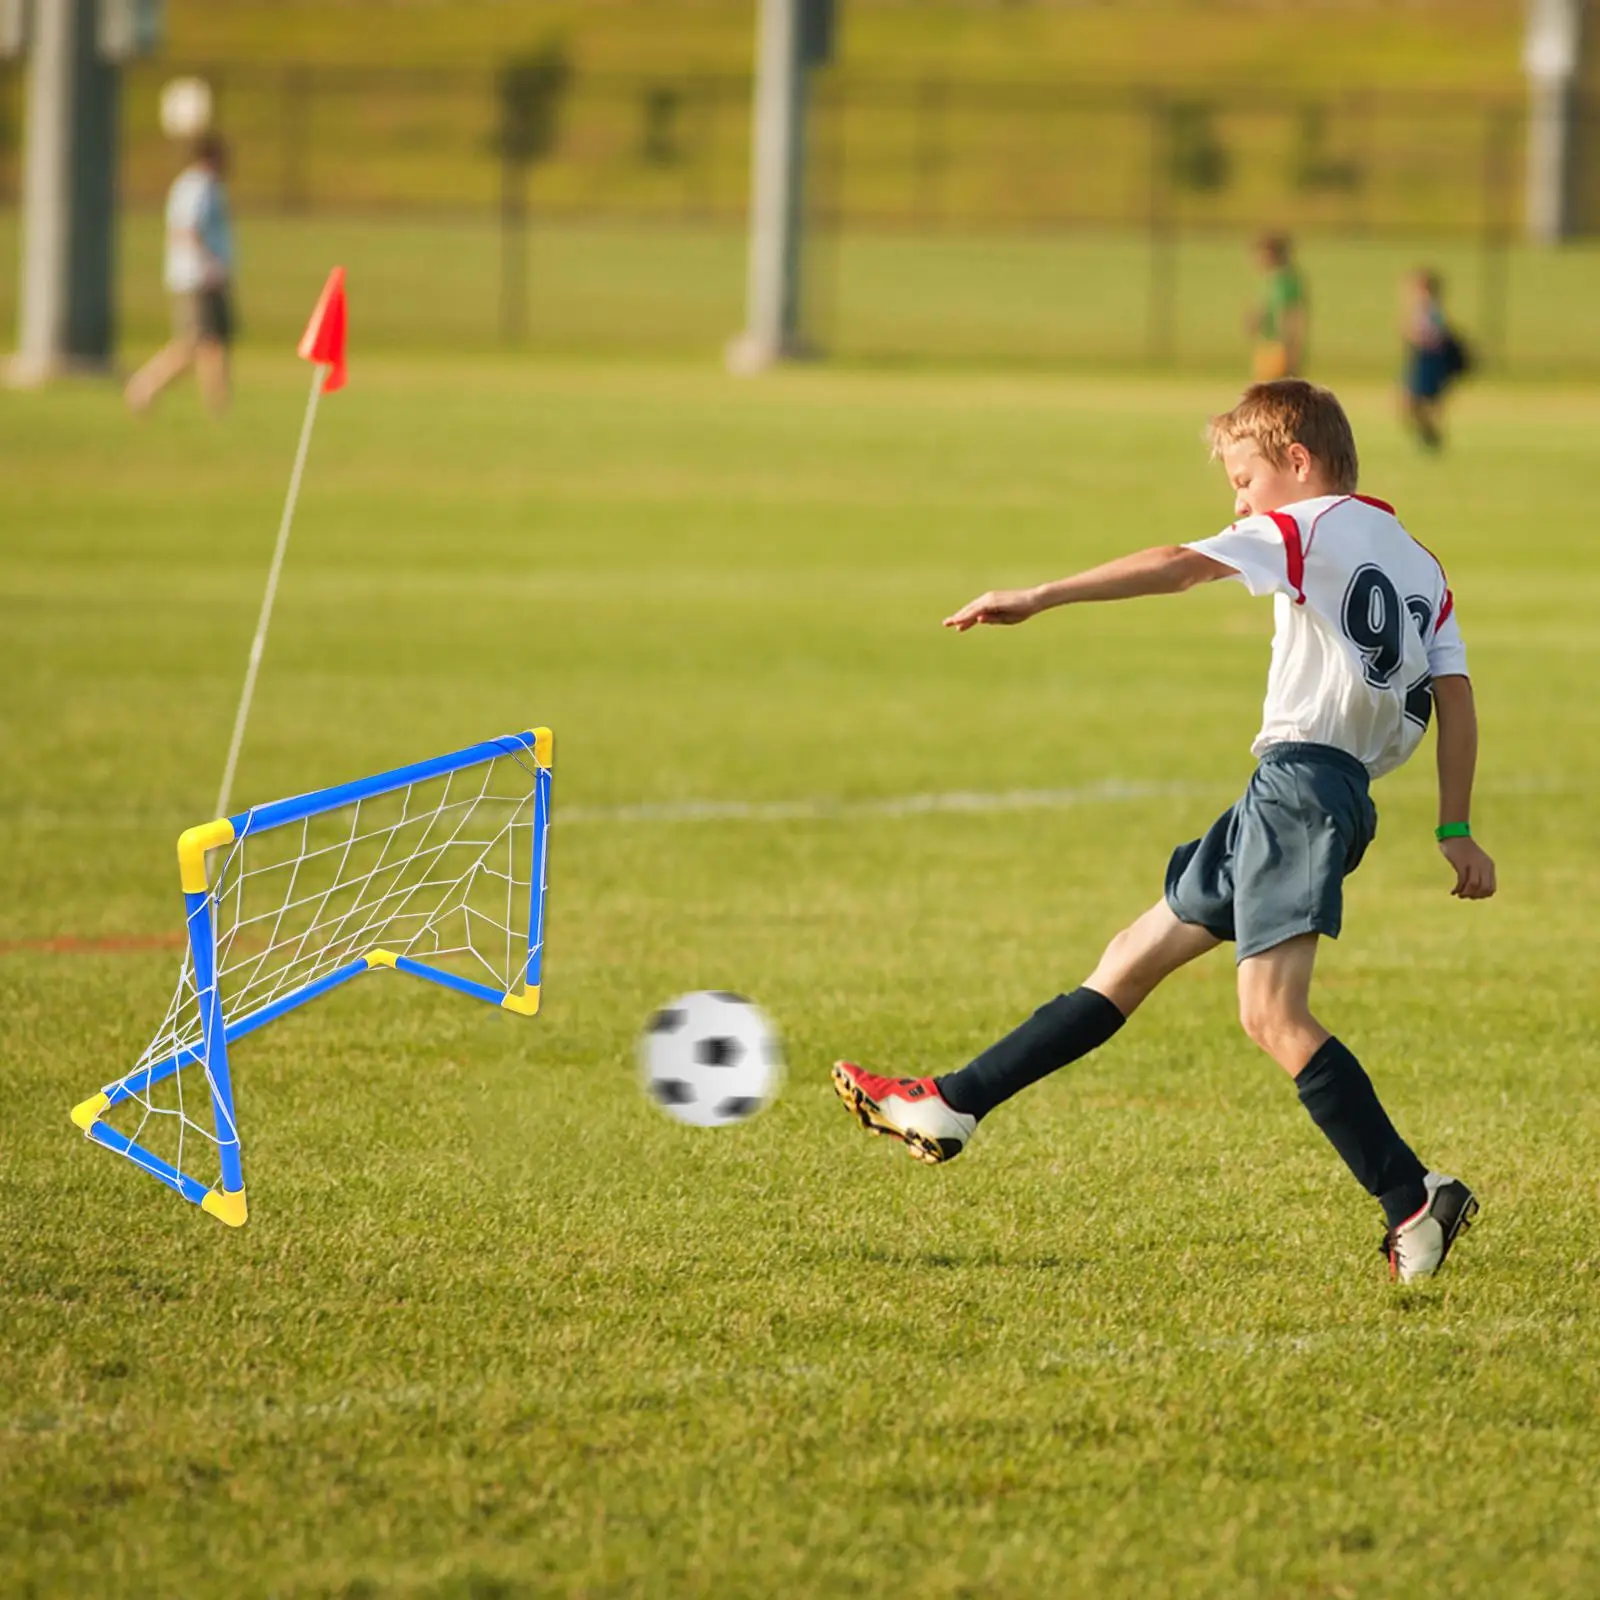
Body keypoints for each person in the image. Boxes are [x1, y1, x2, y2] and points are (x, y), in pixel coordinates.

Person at [832, 379, 1496, 1286]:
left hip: (1301, 788)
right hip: (1317, 794)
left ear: (1297, 463)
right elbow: (1454, 697)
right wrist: (1455, 822)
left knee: (1271, 1015)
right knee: (1133, 954)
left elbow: (1181, 563)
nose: (1237, 503)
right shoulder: (1421, 563)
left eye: (1243, 479)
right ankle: (954, 1103)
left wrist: (1041, 594)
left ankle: (1413, 1198)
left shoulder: (1302, 525)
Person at [125, 134, 235, 414]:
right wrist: (209, 264)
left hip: (207, 276)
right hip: (197, 278)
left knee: (213, 343)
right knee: (192, 344)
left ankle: (219, 406)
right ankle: (143, 387)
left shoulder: (208, 186)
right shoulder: (195, 187)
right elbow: (186, 228)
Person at [1401, 269, 1468, 452]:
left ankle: (1431, 437)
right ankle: (1429, 435)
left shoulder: (1430, 311)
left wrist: (1415, 336)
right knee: (1412, 403)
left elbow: (1433, 336)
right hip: (1420, 359)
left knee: (1416, 402)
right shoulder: (1423, 309)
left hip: (1428, 360)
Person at [1248, 232, 1307, 380]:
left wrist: (1291, 349)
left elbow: (1293, 316)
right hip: (1268, 343)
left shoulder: (1287, 282)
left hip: (1280, 346)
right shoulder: (1271, 281)